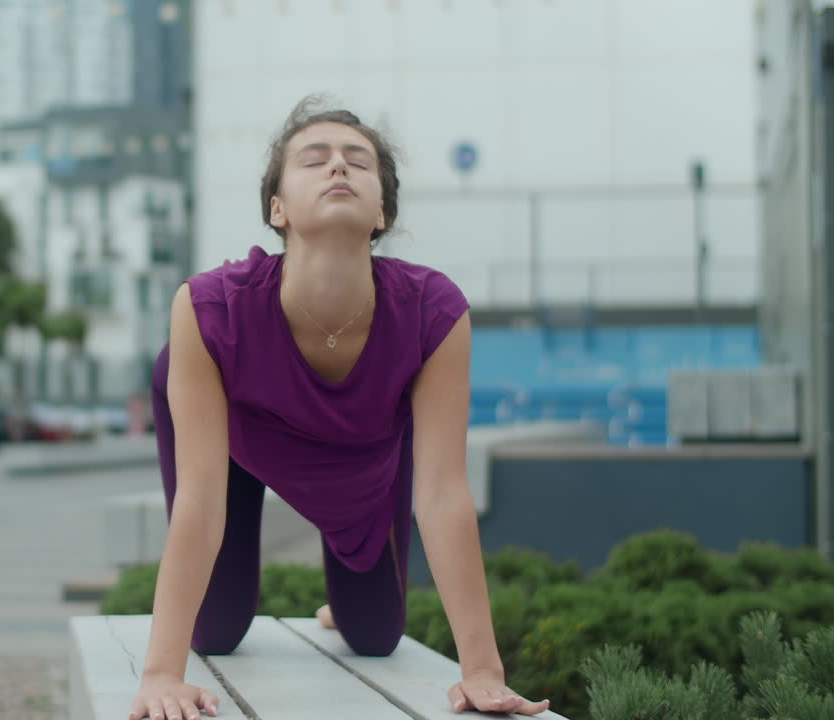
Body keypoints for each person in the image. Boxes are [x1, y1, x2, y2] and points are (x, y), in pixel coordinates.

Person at [129, 97, 552, 720]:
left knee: (376, 637)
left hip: (361, 456)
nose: (338, 168)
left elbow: (441, 495)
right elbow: (199, 499)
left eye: (358, 161)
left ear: (382, 209)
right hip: (233, 436)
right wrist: (162, 675)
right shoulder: (207, 308)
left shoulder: (434, 312)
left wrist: (483, 671)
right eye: (314, 159)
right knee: (216, 632)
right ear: (277, 208)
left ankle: (347, 594)